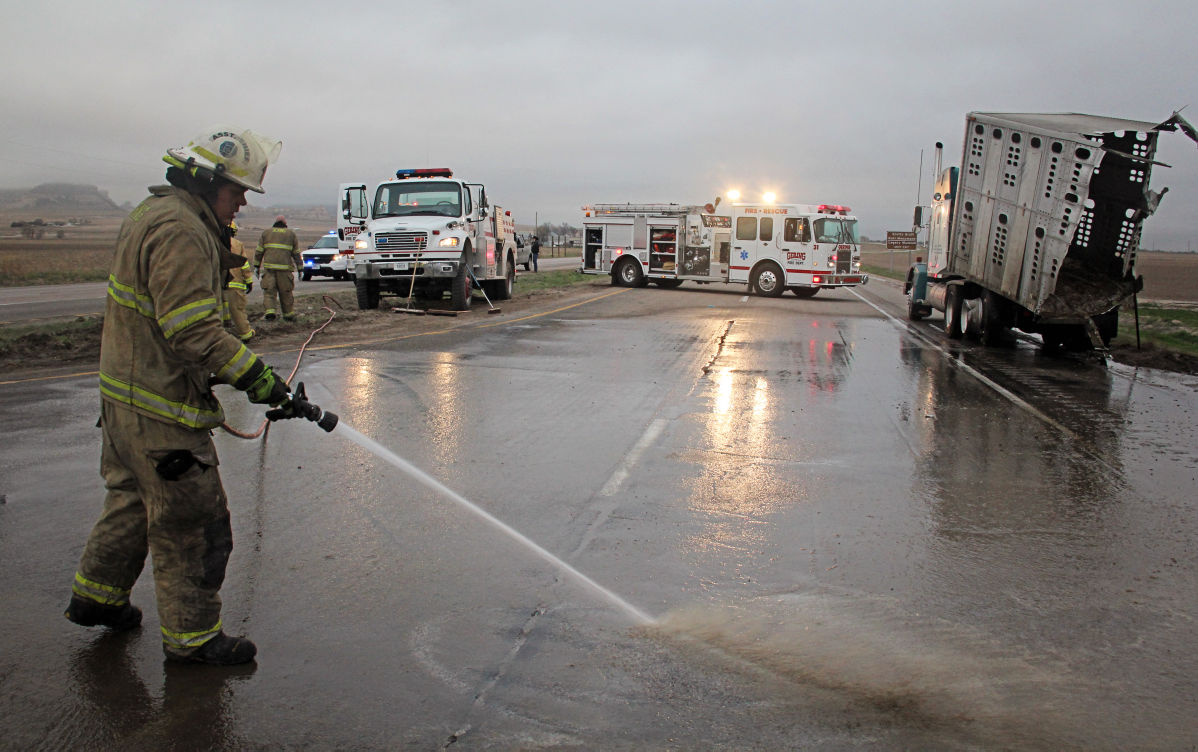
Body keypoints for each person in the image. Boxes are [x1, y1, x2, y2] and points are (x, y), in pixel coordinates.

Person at [64, 126, 297, 665]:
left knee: (129, 501)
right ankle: (193, 641)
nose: (242, 201)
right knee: (193, 521)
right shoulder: (182, 230)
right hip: (159, 410)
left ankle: (97, 598)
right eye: (237, 190)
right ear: (206, 180)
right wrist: (257, 378)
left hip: (125, 400)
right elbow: (192, 329)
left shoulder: (153, 215)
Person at [254, 215, 301, 320]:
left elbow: (259, 251)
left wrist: (256, 266)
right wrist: (300, 268)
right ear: (285, 224)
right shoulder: (291, 234)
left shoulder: (266, 233)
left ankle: (270, 313)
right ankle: (288, 315)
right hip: (285, 271)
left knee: (269, 292)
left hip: (269, 270)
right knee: (286, 293)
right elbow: (296, 253)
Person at [225, 221, 254, 341]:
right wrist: (249, 281)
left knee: (219, 311)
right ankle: (246, 334)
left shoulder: (211, 242)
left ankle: (223, 334)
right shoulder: (237, 244)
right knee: (237, 310)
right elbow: (244, 266)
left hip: (216, 285)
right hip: (235, 284)